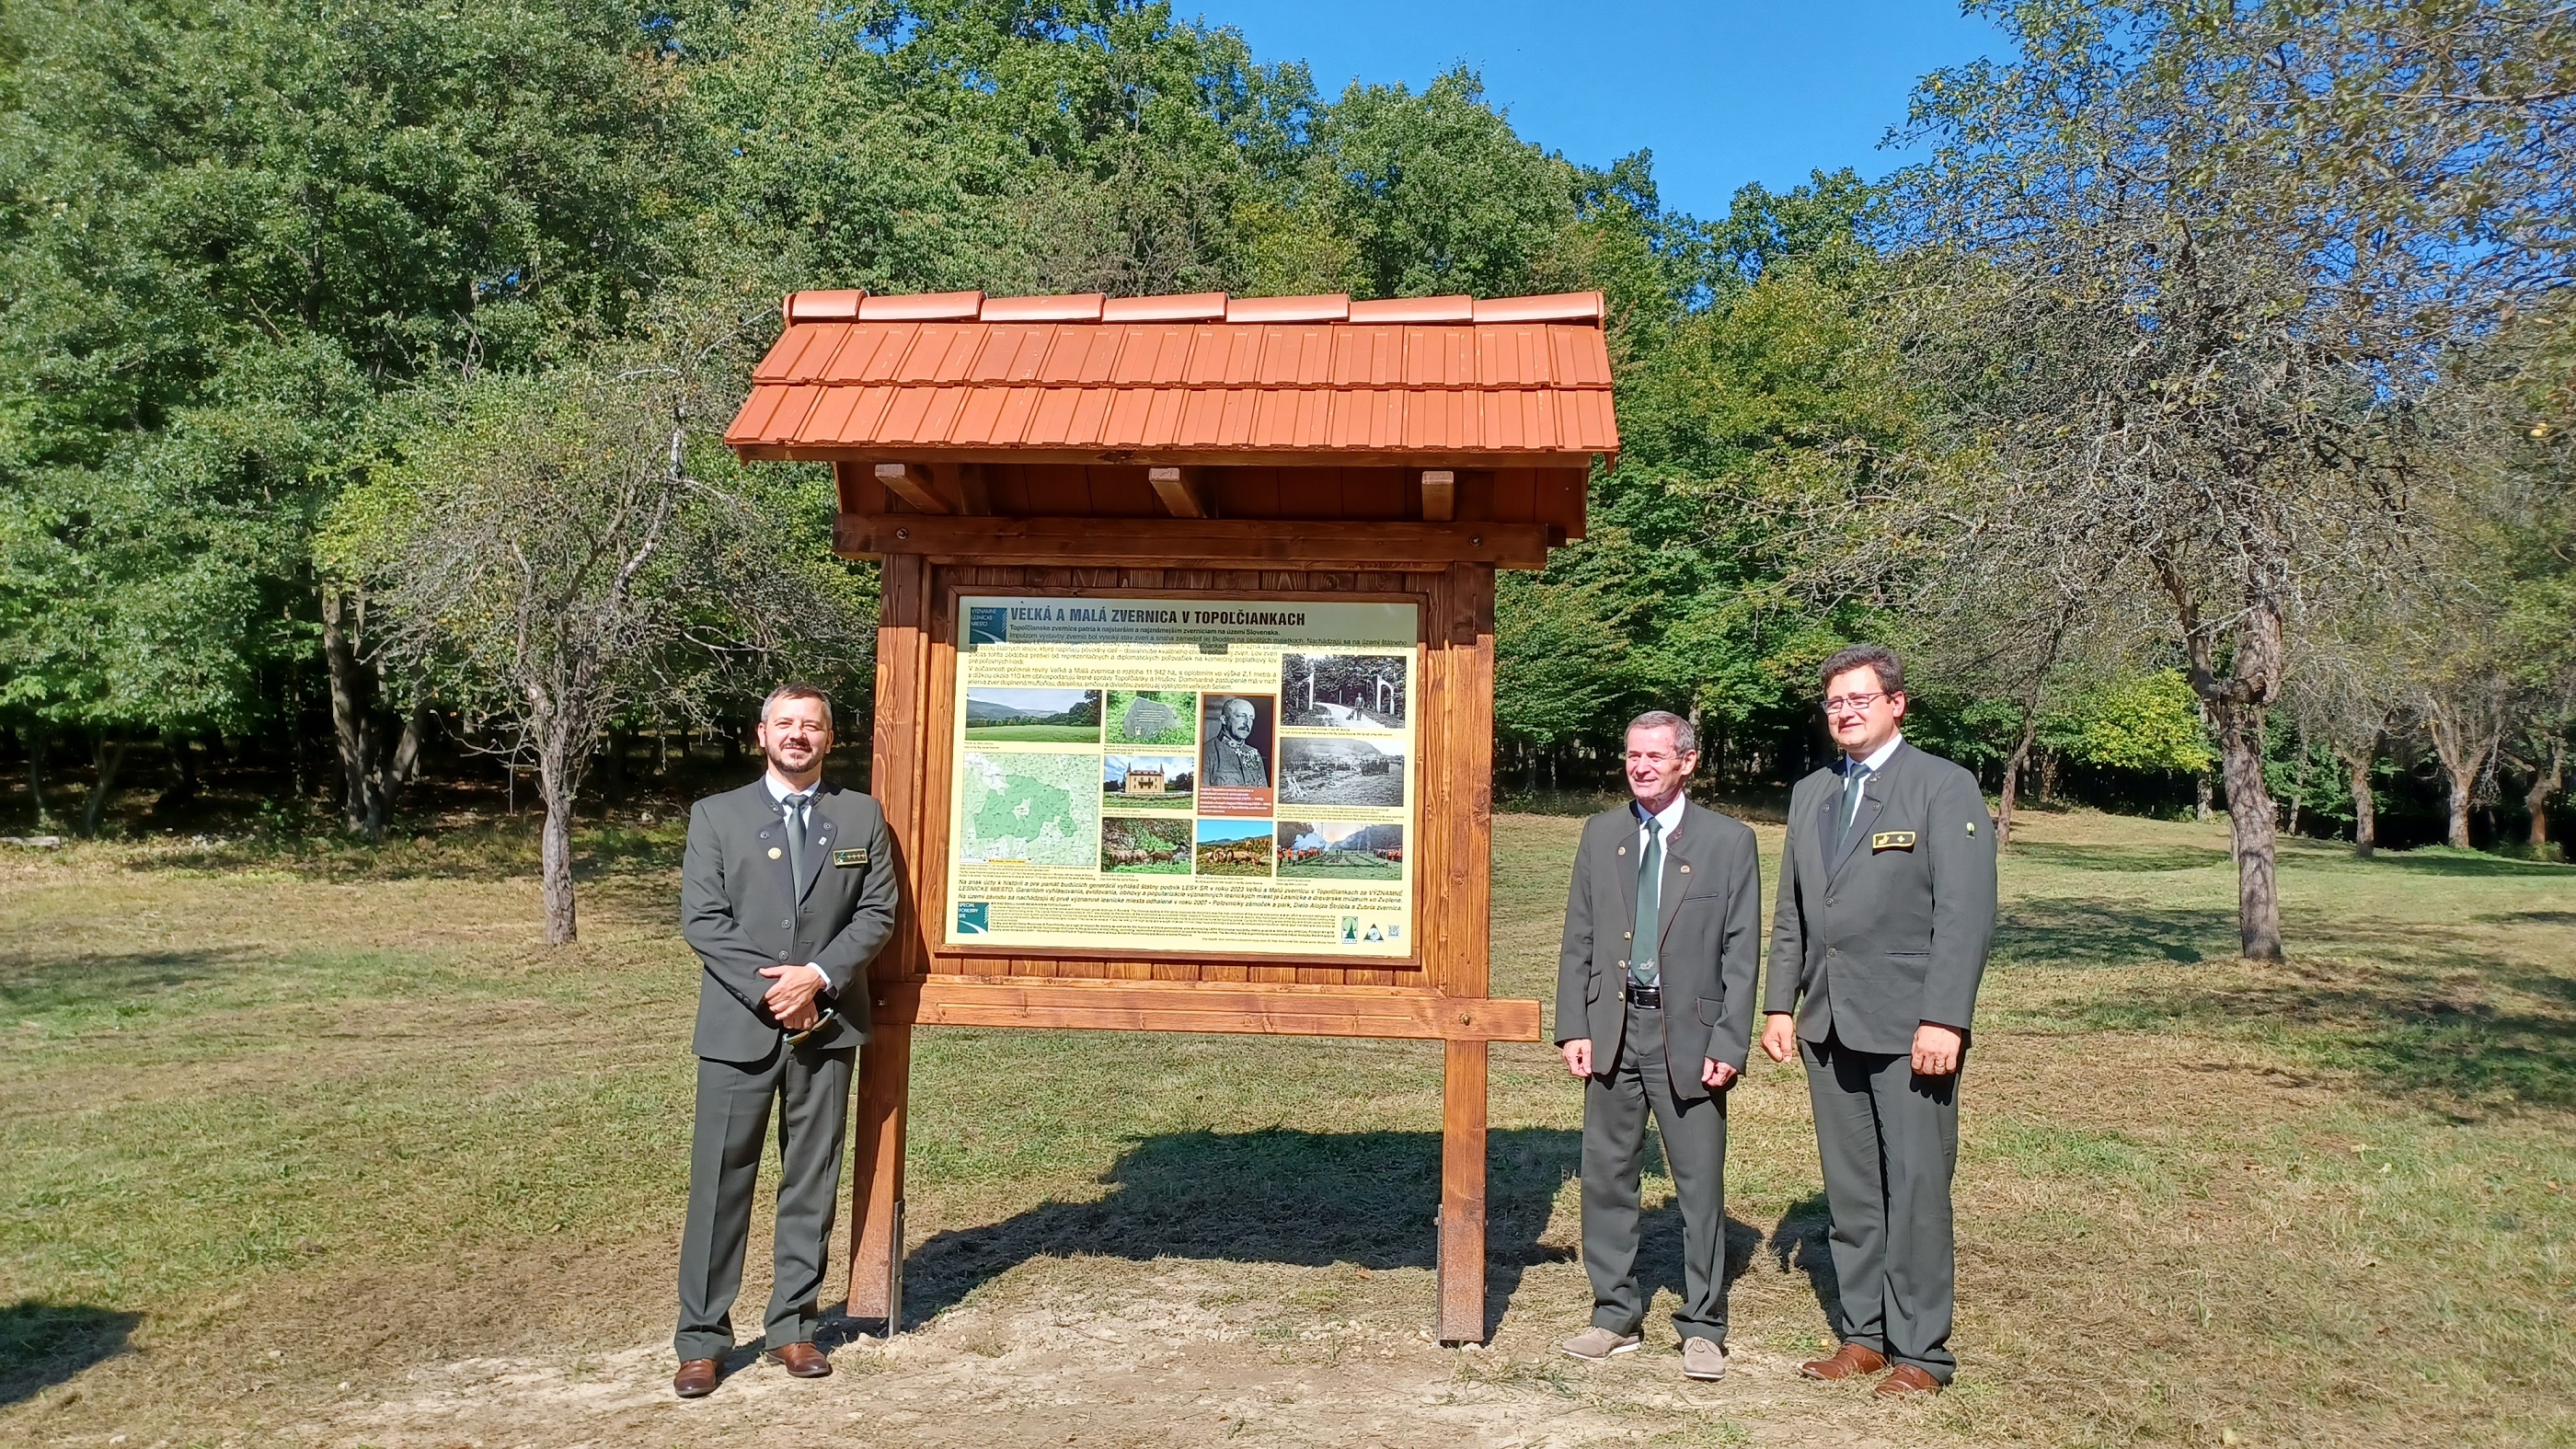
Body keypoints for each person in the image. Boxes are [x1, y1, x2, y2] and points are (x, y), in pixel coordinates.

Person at [1761, 645, 1996, 1398]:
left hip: (1910, 1031)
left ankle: (1921, 1351)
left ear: (1897, 703)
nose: (1846, 711)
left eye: (1860, 698)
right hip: (1829, 1025)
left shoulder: (1942, 787)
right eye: (1835, 701)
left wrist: (1944, 1019)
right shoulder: (1811, 794)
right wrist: (1777, 1002)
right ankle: (1863, 1335)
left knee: (1918, 1186)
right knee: (1854, 1190)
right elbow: (1794, 912)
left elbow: (1964, 917)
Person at [672, 684, 899, 1399]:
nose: (797, 736)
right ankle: (703, 1339)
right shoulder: (717, 816)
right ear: (760, 734)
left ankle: (794, 1326)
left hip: (828, 1030)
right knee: (719, 1183)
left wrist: (818, 978)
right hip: (739, 1031)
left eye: (811, 726)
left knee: (812, 1179)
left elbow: (878, 910)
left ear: (829, 739)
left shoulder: (860, 814)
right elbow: (703, 918)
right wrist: (778, 993)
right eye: (785, 724)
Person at [1554, 711, 1763, 1382]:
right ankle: (1614, 1313)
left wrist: (1730, 1039)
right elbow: (1578, 938)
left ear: (1687, 762)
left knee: (1699, 1184)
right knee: (1606, 1176)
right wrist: (1574, 1026)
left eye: (1654, 755)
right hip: (1614, 1030)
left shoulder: (1731, 842)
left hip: (1691, 1037)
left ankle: (1702, 1324)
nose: (1640, 765)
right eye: (1632, 755)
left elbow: (1741, 952)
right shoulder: (1602, 834)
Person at [1202, 696, 1268, 787]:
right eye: (1241, 716)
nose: (1247, 723)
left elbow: (1264, 793)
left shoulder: (1254, 754)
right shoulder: (1206, 752)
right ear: (1224, 719)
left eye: (1251, 718)